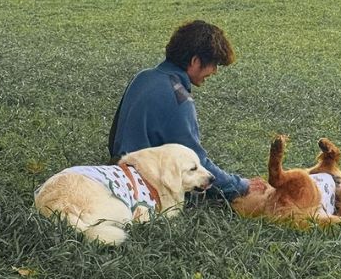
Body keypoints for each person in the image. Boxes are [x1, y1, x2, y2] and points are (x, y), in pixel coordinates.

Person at [108, 20, 264, 201]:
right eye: (214, 65)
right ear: (195, 61)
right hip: (144, 186)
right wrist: (240, 185)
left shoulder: (143, 76)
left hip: (118, 169)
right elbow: (196, 162)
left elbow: (114, 138)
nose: (214, 72)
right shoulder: (178, 97)